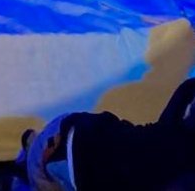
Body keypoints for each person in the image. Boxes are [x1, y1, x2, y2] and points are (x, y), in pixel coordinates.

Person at [12, 77, 195, 191]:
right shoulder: (33, 157)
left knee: (167, 151)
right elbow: (30, 138)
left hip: (79, 157)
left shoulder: (36, 171)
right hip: (79, 135)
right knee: (162, 147)